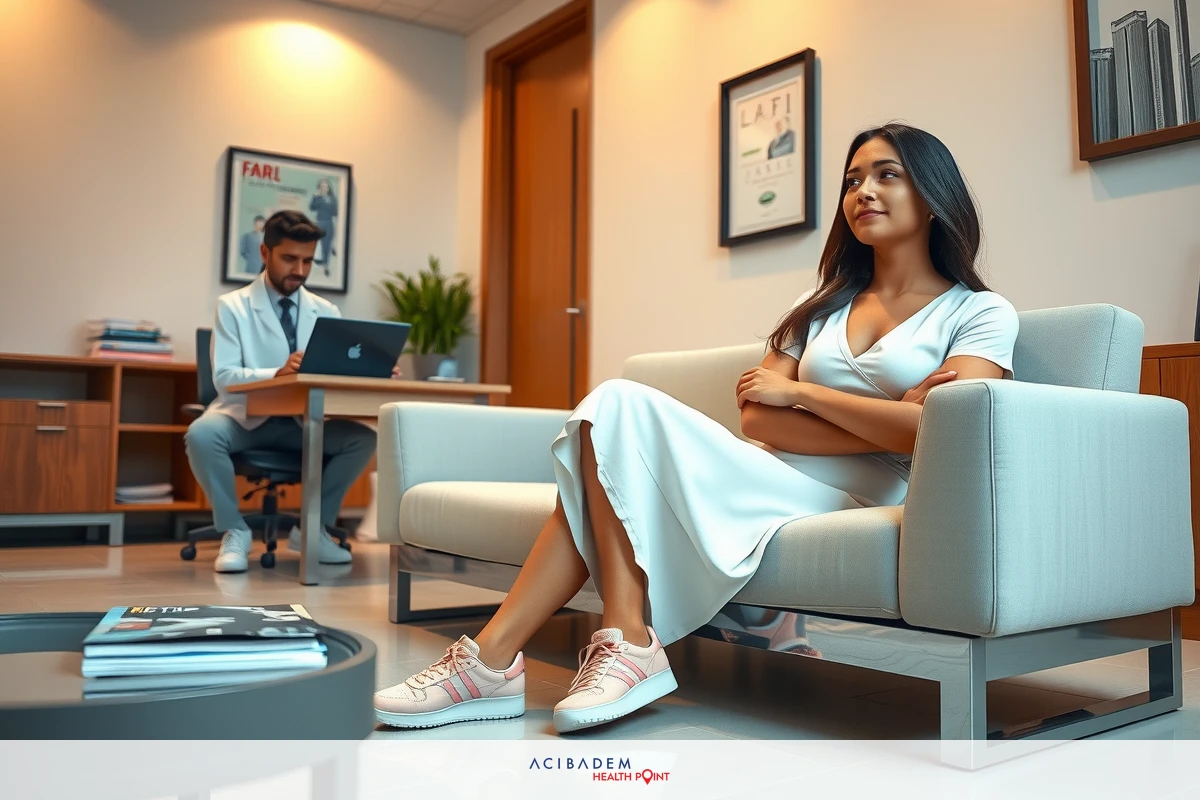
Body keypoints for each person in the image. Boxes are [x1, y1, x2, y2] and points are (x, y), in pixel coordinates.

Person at [373, 123, 1019, 733]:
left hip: (861, 498)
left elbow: (941, 435)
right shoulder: (818, 303)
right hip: (766, 470)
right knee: (615, 407)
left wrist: (804, 393)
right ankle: (609, 643)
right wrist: (894, 416)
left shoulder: (980, 312)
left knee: (610, 433)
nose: (864, 192)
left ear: (934, 196)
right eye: (852, 180)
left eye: (887, 175)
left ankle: (500, 662)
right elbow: (760, 419)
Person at [185, 210, 378, 574]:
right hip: (246, 417)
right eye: (290, 258)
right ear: (264, 252)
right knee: (201, 434)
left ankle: (312, 529)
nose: (300, 271)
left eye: (308, 261)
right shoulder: (233, 306)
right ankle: (233, 530)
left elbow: (333, 373)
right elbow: (224, 377)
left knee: (363, 439)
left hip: (302, 421)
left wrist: (370, 371)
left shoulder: (326, 310)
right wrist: (275, 373)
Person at [309, 178, 338, 275]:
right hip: (319, 222)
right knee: (317, 245)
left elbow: (335, 212)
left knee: (326, 245)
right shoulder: (317, 197)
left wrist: (327, 202)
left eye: (325, 186)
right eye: (322, 187)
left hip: (329, 223)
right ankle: (319, 261)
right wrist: (318, 198)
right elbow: (312, 207)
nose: (324, 188)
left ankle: (326, 265)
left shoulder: (332, 198)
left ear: (328, 187)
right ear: (319, 188)